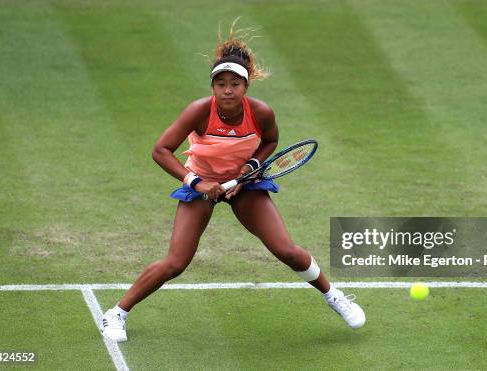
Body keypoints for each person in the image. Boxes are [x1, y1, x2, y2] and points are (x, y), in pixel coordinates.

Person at [100, 25, 365, 343]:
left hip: (244, 184)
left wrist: (249, 169)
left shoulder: (261, 112)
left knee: (286, 250)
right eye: (221, 83)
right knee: (176, 261)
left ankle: (334, 296)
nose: (227, 90)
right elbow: (160, 150)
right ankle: (116, 313)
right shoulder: (199, 111)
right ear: (213, 86)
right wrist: (197, 183)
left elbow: (270, 141)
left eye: (235, 84)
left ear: (246, 85)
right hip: (201, 181)